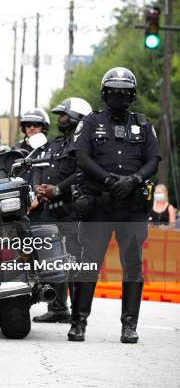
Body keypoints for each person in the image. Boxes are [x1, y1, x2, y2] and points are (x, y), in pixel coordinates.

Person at [68, 67, 160, 344]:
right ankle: (78, 323)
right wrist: (108, 179)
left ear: (132, 96)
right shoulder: (90, 122)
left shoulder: (144, 125)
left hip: (131, 208)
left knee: (133, 267)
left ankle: (129, 326)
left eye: (124, 93)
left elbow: (153, 160)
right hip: (99, 205)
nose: (118, 97)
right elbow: (81, 157)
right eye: (113, 92)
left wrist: (133, 180)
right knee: (88, 265)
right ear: (104, 94)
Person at [33, 97, 92, 323]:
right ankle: (58, 308)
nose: (60, 119)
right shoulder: (57, 143)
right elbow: (43, 168)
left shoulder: (85, 144)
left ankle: (77, 313)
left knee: (74, 261)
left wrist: (57, 190)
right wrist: (39, 190)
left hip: (72, 210)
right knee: (52, 260)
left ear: (77, 117)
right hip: (51, 211)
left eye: (64, 115)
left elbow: (81, 174)